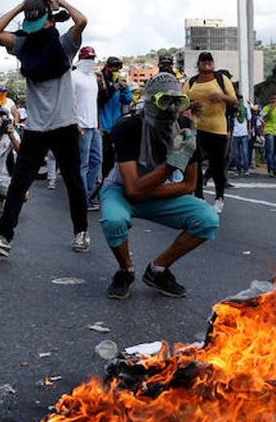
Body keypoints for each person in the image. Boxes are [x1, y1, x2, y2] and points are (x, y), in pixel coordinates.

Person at [0, 0, 91, 257]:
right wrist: (26, 5)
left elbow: (82, 20)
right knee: (19, 183)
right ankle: (4, 237)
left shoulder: (64, 44)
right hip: (37, 128)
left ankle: (81, 232)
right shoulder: (23, 44)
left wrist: (60, 3)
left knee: (74, 182)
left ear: (50, 22)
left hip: (63, 124)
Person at [99, 72, 219, 299]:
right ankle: (126, 270)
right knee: (114, 220)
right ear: (150, 102)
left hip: (149, 192)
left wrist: (148, 190)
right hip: (121, 190)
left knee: (207, 219)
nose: (171, 109)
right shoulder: (127, 127)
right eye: (165, 101)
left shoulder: (185, 127)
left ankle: (158, 269)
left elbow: (189, 185)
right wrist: (171, 165)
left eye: (177, 101)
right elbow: (132, 190)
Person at [184, 52, 238, 213]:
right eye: (203, 61)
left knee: (217, 165)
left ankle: (219, 198)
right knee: (195, 163)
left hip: (217, 128)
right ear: (198, 64)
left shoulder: (222, 79)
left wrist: (221, 96)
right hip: (195, 128)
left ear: (213, 64)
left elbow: (234, 100)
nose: (207, 64)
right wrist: (191, 105)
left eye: (209, 61)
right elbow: (182, 101)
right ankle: (199, 196)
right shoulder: (191, 82)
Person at [72, 45, 103, 209]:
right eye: (88, 58)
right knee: (83, 164)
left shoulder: (92, 78)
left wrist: (98, 124)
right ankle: (83, 199)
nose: (91, 61)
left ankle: (87, 193)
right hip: (82, 125)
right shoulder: (73, 76)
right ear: (81, 59)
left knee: (97, 161)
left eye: (93, 58)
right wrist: (75, 123)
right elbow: (69, 102)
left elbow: (94, 102)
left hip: (93, 125)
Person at [97, 56, 130, 180]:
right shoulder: (101, 81)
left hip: (116, 125)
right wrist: (112, 88)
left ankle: (110, 181)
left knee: (114, 157)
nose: (115, 70)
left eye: (118, 68)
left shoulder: (118, 82)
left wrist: (124, 88)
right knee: (105, 158)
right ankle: (103, 181)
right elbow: (101, 99)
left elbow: (127, 100)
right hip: (103, 125)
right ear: (108, 67)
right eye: (113, 67)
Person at [260, 93, 276, 177]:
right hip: (268, 131)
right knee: (269, 150)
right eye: (272, 99)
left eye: (275, 99)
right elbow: (264, 119)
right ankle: (271, 169)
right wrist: (271, 110)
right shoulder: (266, 108)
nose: (274, 100)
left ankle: (275, 169)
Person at [231, 94, 251, 176]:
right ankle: (238, 169)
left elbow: (249, 120)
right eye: (238, 100)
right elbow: (231, 118)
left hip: (244, 133)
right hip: (235, 133)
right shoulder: (233, 108)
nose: (239, 101)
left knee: (245, 152)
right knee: (236, 153)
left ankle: (246, 169)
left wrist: (249, 132)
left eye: (241, 100)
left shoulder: (246, 109)